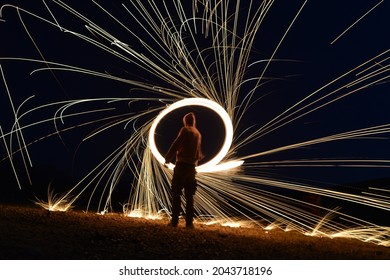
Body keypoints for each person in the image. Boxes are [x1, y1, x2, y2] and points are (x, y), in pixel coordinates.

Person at [164, 112, 203, 228]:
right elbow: (199, 153)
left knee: (176, 193)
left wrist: (167, 158)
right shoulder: (197, 133)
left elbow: (176, 143)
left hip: (182, 165)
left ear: (185, 121)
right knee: (189, 195)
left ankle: (174, 221)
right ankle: (189, 223)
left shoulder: (185, 130)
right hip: (191, 167)